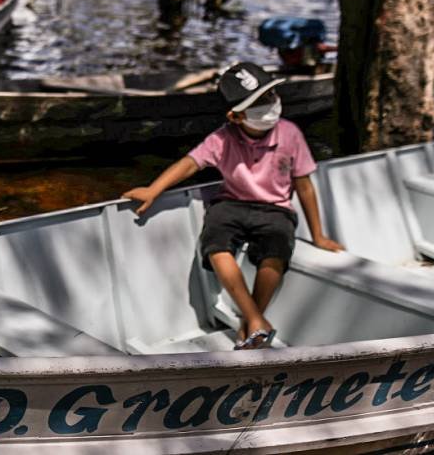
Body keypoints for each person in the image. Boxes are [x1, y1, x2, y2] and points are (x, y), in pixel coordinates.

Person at [122, 62, 343, 350]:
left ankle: (250, 320)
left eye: (271, 95)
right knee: (216, 244)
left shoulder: (290, 134)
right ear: (235, 116)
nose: (270, 105)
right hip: (232, 203)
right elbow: (189, 164)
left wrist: (318, 235)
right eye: (258, 102)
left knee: (275, 251)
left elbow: (304, 185)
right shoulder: (222, 139)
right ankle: (254, 318)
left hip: (275, 207)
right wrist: (154, 190)